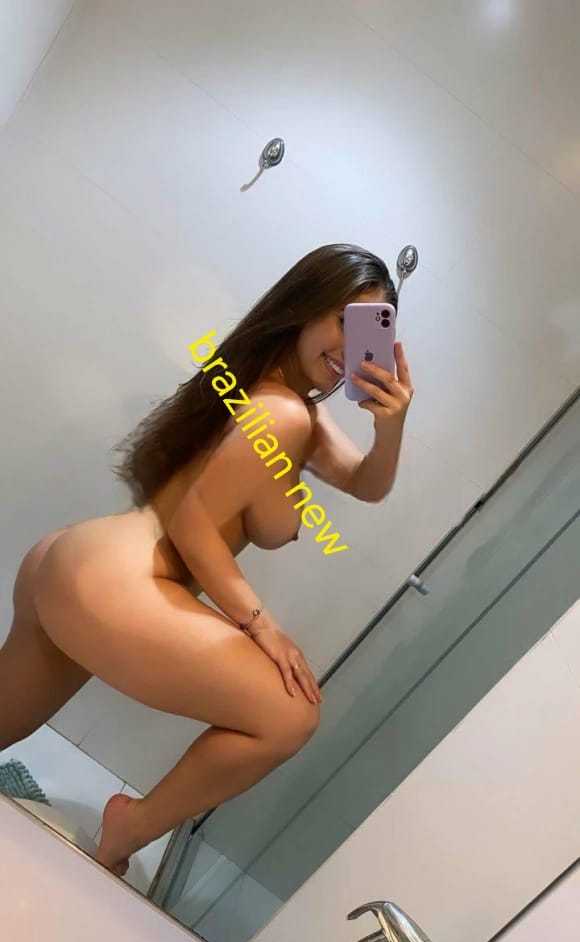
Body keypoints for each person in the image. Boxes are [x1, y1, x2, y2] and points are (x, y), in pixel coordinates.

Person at [0, 243, 413, 876]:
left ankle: (128, 827)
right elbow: (192, 522)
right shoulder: (284, 414)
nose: (347, 346)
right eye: (341, 319)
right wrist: (262, 625)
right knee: (290, 716)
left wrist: (390, 426)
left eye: (365, 331)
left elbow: (366, 482)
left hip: (79, 562)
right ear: (306, 306)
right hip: (118, 582)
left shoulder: (282, 396)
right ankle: (129, 826)